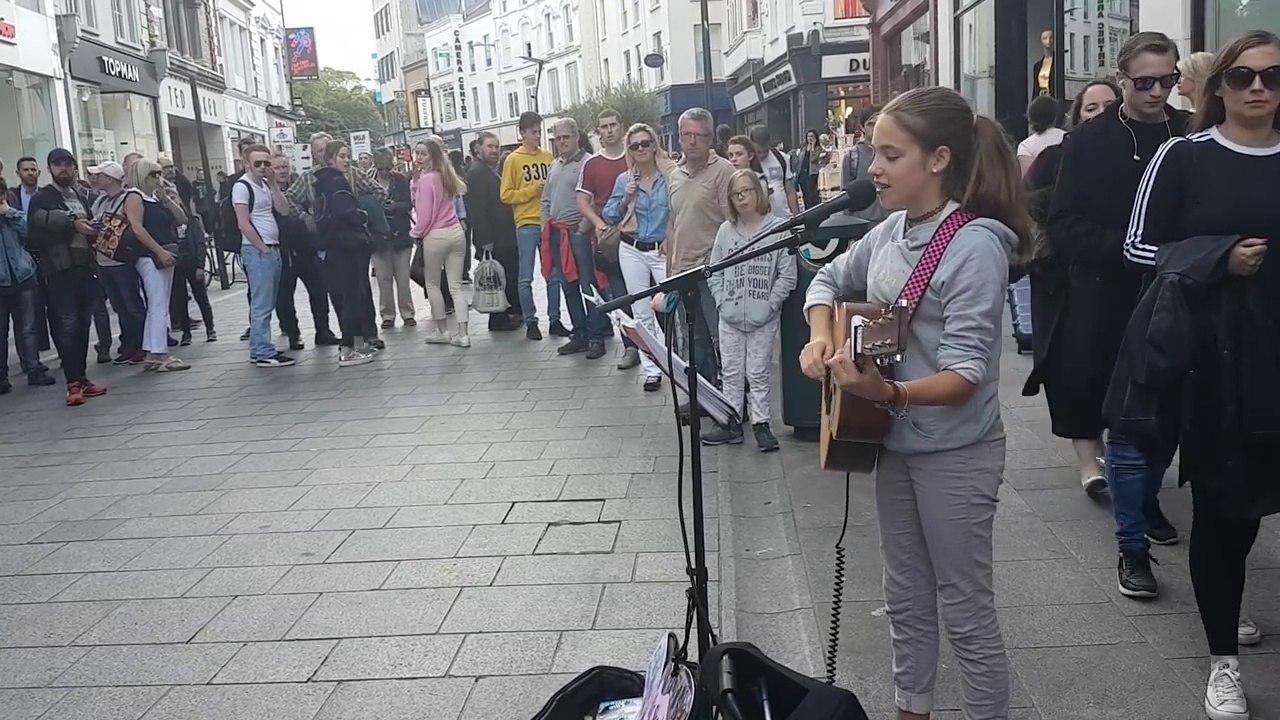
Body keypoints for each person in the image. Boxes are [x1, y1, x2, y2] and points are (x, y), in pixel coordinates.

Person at [801, 85, 1031, 720]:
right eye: (874, 152)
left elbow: (967, 372)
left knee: (964, 603)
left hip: (957, 450)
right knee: (903, 595)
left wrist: (888, 391)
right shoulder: (891, 229)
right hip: (891, 441)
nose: (872, 167)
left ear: (937, 161)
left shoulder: (974, 245)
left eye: (889, 154)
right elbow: (826, 278)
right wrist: (821, 340)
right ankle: (912, 709)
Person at [1118, 30, 1280, 720]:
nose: (1257, 89)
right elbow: (1138, 245)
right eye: (1242, 75)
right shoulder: (1183, 156)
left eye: (1272, 77)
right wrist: (1217, 258)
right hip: (1221, 365)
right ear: (1218, 85)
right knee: (1224, 515)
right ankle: (1223, 661)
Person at [1043, 31, 1189, 597]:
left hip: (1178, 294)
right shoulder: (1089, 142)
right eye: (1145, 81)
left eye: (1168, 80)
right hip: (1109, 298)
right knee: (1125, 422)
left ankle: (1145, 497)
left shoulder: (1190, 133)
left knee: (1168, 415)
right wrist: (1125, 251)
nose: (1157, 92)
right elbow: (1063, 222)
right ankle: (1133, 539)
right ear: (1122, 78)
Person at [702, 169, 796, 451]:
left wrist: (770, 304)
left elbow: (787, 275)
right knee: (730, 371)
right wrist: (721, 300)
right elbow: (714, 271)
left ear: (759, 192)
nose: (742, 198)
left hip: (763, 317)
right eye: (736, 194)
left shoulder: (778, 229)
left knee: (758, 371)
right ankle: (730, 421)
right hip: (730, 316)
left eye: (747, 191)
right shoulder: (725, 231)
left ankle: (761, 423)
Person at [25, 148, 108, 405]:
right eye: (57, 164)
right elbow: (41, 223)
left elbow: (87, 226)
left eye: (67, 164)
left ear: (74, 167)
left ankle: (81, 377)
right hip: (59, 271)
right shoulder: (43, 197)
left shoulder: (80, 195)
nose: (63, 169)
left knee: (83, 324)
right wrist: (73, 224)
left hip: (85, 268)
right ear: (49, 168)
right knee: (67, 325)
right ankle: (73, 381)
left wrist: (95, 230)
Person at [666, 107, 735, 394]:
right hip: (683, 272)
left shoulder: (724, 172)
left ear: (710, 137)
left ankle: (732, 399)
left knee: (721, 339)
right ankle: (705, 399)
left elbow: (732, 223)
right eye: (687, 135)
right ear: (679, 137)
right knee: (694, 340)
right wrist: (670, 271)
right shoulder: (674, 174)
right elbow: (673, 223)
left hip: (713, 271)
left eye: (699, 135)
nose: (692, 141)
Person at [604, 123, 671, 393]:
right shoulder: (624, 180)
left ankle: (678, 363)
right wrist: (624, 199)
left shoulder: (670, 176)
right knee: (641, 312)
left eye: (645, 143)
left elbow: (679, 211)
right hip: (631, 248)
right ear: (628, 150)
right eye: (635, 145)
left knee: (672, 308)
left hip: (662, 250)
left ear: (654, 145)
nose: (641, 149)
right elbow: (609, 215)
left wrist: (672, 235)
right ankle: (652, 370)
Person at [576, 108, 639, 369]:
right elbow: (581, 199)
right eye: (604, 126)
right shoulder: (592, 164)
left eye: (613, 124)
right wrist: (598, 223)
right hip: (612, 239)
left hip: (642, 234)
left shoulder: (637, 154)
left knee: (646, 293)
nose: (609, 130)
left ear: (622, 127)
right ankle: (631, 347)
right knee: (619, 293)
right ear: (598, 131)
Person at [543, 118, 606, 359]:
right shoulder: (555, 165)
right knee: (567, 286)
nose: (562, 142)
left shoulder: (588, 164)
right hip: (558, 233)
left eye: (565, 137)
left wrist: (583, 226)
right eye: (558, 138)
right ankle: (579, 334)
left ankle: (597, 337)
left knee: (588, 285)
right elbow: (546, 198)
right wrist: (545, 223)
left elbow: (595, 198)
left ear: (576, 136)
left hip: (579, 234)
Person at [123, 158, 190, 372]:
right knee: (159, 303)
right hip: (150, 255)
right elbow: (137, 227)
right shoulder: (134, 196)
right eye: (153, 174)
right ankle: (159, 352)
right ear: (142, 176)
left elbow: (182, 219)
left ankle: (153, 350)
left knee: (157, 303)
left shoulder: (153, 197)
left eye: (159, 173)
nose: (158, 178)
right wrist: (159, 251)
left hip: (163, 251)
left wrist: (167, 200)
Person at [314, 141, 378, 367]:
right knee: (351, 296)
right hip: (345, 245)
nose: (346, 160)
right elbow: (345, 213)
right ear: (331, 159)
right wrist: (361, 216)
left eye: (347, 155)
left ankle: (354, 344)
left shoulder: (320, 182)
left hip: (330, 246)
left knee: (345, 296)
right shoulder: (337, 182)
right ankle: (348, 349)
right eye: (342, 156)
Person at [501, 111, 562, 340]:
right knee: (525, 275)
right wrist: (530, 192)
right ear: (523, 133)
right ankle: (530, 321)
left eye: (539, 131)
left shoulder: (548, 157)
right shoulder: (513, 160)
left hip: (547, 221)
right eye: (533, 132)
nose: (537, 136)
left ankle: (555, 319)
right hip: (526, 222)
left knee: (552, 274)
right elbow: (506, 194)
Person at [233, 144, 295, 367]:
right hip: (258, 249)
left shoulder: (265, 186)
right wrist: (263, 248)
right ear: (247, 164)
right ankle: (260, 350)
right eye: (257, 163)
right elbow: (243, 223)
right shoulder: (242, 187)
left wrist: (273, 184)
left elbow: (284, 210)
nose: (262, 167)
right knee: (261, 302)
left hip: (272, 247)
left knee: (268, 301)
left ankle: (262, 346)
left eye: (265, 163)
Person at [271, 153, 338, 350]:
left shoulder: (300, 185)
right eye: (277, 168)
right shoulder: (267, 191)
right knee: (284, 296)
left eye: (285, 167)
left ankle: (323, 331)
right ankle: (293, 334)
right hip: (283, 250)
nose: (282, 171)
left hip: (306, 247)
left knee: (318, 290)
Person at [410, 139, 470, 348]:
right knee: (456, 286)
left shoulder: (426, 180)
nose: (418, 158)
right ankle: (463, 334)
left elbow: (424, 216)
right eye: (416, 153)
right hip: (455, 232)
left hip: (435, 235)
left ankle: (442, 330)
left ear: (432, 156)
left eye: (423, 154)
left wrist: (415, 233)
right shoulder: (446, 176)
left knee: (433, 284)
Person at [88, 162, 147, 365]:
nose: (96, 179)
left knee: (132, 304)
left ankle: (142, 344)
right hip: (103, 260)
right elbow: (91, 222)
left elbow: (135, 226)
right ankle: (128, 344)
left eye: (100, 175)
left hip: (121, 260)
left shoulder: (128, 197)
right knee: (119, 305)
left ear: (110, 178)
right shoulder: (100, 200)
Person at [465, 132, 522, 331]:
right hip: (495, 238)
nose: (494, 150)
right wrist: (484, 240)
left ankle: (508, 313)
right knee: (499, 278)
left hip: (504, 234)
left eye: (497, 146)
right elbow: (478, 209)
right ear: (478, 149)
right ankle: (499, 318)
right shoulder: (477, 173)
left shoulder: (491, 170)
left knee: (506, 275)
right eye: (490, 146)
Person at [0, 186, 53, 393]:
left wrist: (10, 213)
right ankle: (2, 376)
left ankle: (33, 367)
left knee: (28, 327)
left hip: (22, 275)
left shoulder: (13, 215)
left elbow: (29, 229)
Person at [370, 148, 416, 329]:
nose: (385, 172)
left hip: (400, 235)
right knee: (383, 279)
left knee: (403, 278)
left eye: (388, 168)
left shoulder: (400, 180)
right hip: (379, 237)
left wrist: (395, 206)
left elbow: (409, 204)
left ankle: (408, 313)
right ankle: (387, 315)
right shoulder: (368, 181)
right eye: (381, 168)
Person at [841, 106, 890, 225]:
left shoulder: (895, 152)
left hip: (891, 221)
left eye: (879, 123)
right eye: (871, 124)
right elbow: (845, 196)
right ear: (862, 127)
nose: (875, 128)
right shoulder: (853, 156)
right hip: (863, 224)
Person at [747, 124, 799, 217]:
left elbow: (790, 190)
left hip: (784, 217)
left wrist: (797, 217)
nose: (762, 155)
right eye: (758, 151)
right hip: (760, 221)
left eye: (766, 151)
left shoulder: (781, 157)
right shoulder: (746, 162)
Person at [1018, 95, 1066, 175]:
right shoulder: (1069, 138)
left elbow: (1028, 180)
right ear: (1055, 116)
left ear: (1031, 118)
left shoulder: (1025, 146)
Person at [796, 128, 831, 209]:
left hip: (812, 172)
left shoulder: (818, 148)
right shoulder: (804, 147)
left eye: (812, 136)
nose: (810, 138)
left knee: (812, 192)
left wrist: (812, 147)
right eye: (808, 136)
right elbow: (799, 159)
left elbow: (814, 159)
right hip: (802, 172)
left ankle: (814, 207)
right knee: (805, 194)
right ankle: (806, 208)